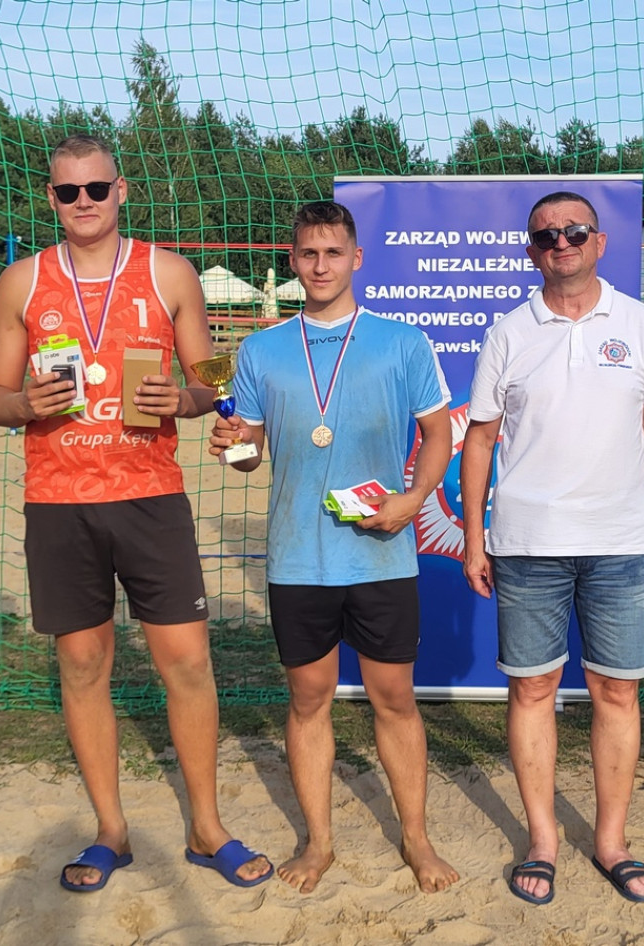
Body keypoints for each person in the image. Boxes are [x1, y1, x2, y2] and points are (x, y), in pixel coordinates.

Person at [0, 134, 272, 892]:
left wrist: (185, 398)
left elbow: (210, 378)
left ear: (122, 191)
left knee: (187, 663)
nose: (84, 203)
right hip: (60, 502)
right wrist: (26, 403)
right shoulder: (21, 282)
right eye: (68, 192)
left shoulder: (168, 272)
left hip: (150, 496)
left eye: (97, 189)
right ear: (51, 198)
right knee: (82, 665)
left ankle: (207, 827)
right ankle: (111, 829)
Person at [210, 201, 459, 895]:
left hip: (382, 555)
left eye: (333, 253)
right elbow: (252, 456)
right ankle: (319, 843)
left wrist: (413, 501)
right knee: (309, 699)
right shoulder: (260, 350)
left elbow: (438, 435)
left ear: (356, 259)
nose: (320, 266)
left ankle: (416, 838)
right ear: (293, 262)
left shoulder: (403, 341)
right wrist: (235, 448)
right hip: (298, 558)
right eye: (308, 254)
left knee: (395, 701)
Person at [460, 191, 644, 906]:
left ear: (599, 241)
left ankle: (611, 842)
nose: (562, 243)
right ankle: (544, 841)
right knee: (532, 689)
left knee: (618, 690)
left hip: (621, 542)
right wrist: (473, 537)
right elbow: (481, 438)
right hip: (527, 544)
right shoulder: (508, 332)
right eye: (546, 235)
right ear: (531, 250)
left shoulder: (641, 325)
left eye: (575, 231)